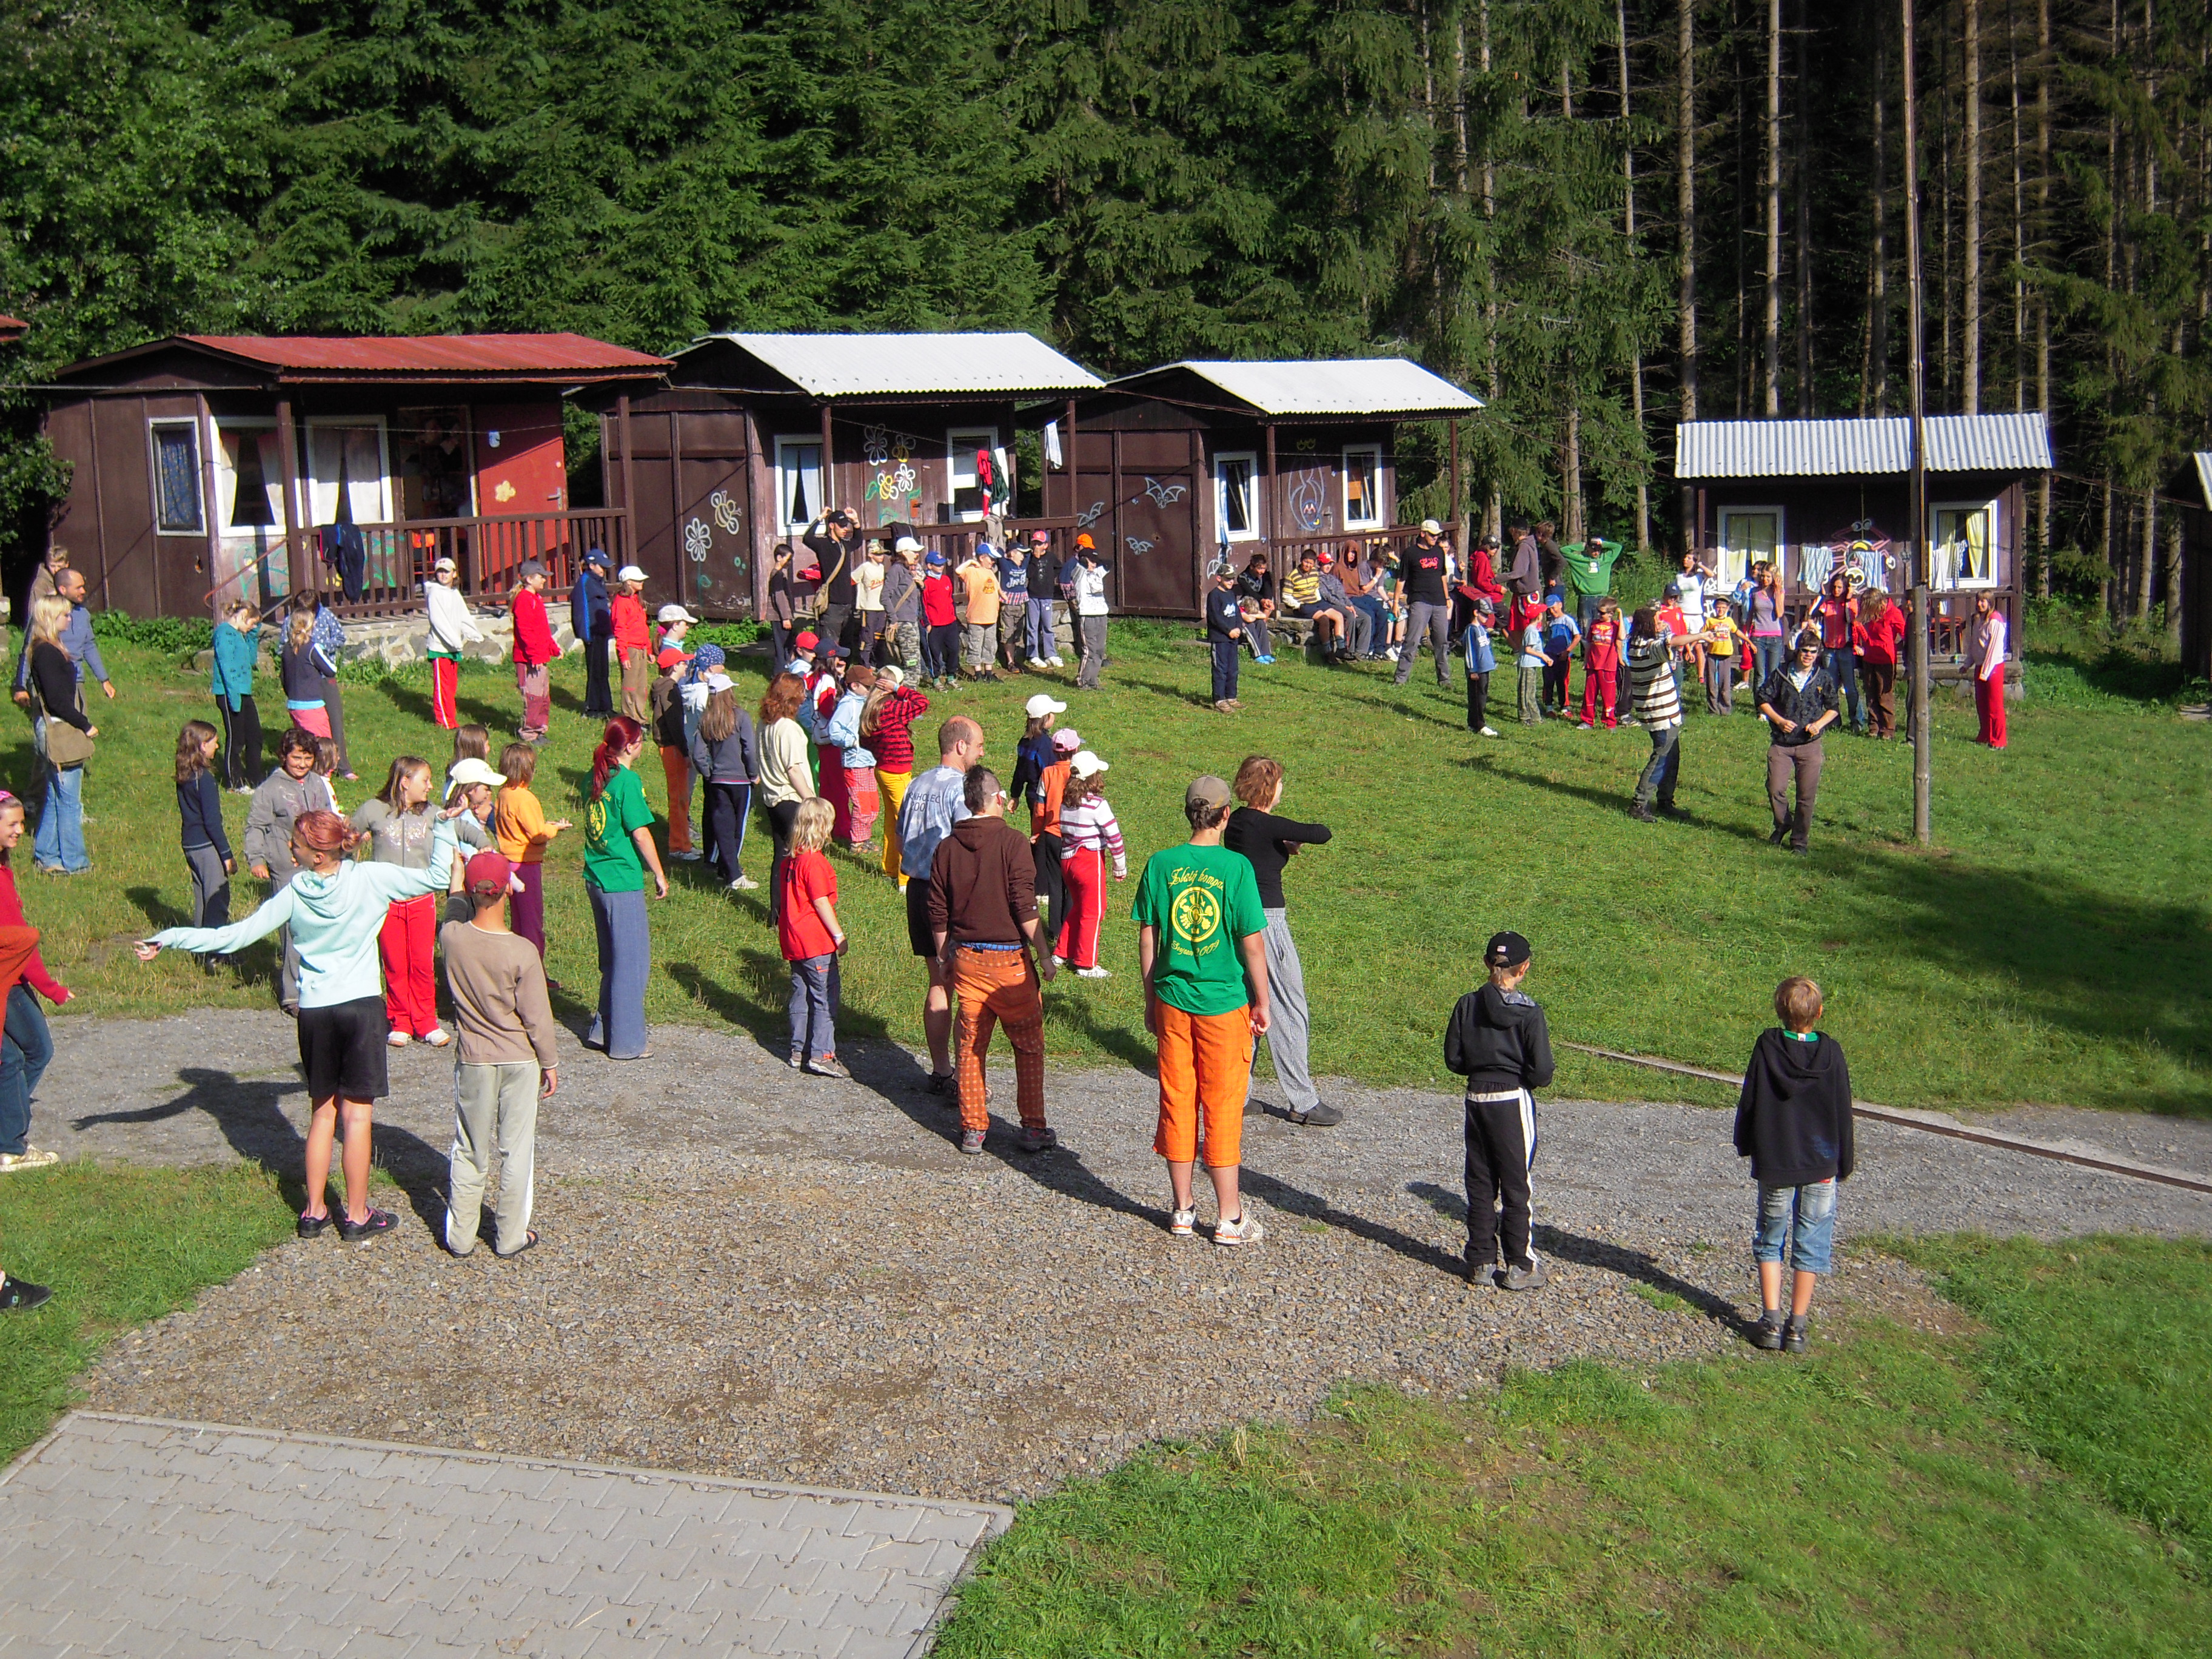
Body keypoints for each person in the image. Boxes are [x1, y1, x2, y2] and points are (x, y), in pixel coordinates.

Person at [139, 803, 466, 1241]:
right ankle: (357, 1216)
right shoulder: (371, 877)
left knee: (322, 1114)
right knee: (357, 1118)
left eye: (294, 843)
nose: (289, 848)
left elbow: (235, 936)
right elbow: (438, 877)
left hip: (315, 1013)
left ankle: (314, 1212)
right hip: (361, 1009)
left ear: (317, 855)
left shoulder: (295, 892)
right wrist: (443, 826)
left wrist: (173, 937)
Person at [1133, 774, 1273, 1247]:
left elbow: (1148, 937)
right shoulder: (1236, 868)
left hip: (1173, 1000)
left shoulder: (1161, 864)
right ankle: (1229, 1217)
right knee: (1223, 1102)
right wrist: (1263, 1000)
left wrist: (1151, 998)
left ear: (1189, 814)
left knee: (1177, 1098)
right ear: (1226, 815)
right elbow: (1252, 944)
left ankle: (1182, 1208)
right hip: (1223, 1003)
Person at [930, 765, 1060, 1155]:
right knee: (1029, 1045)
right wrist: (1045, 955)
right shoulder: (1013, 842)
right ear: (998, 800)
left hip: (967, 960)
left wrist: (944, 956)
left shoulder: (947, 848)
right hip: (1011, 965)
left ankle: (973, 1128)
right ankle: (1033, 1128)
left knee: (970, 1046)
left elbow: (938, 912)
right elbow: (1024, 906)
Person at [441, 850, 558, 1258]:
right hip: (519, 1059)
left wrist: (458, 876)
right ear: (508, 889)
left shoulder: (452, 938)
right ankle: (510, 1237)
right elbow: (537, 1017)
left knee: (470, 1147)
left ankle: (460, 1237)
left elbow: (454, 906)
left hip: (474, 1058)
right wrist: (550, 1061)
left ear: (471, 891)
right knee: (516, 1148)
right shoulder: (522, 951)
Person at [1734, 975, 1855, 1353]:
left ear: (1778, 1011)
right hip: (1821, 1163)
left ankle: (1770, 1321)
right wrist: (1844, 1161)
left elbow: (1751, 1098)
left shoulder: (1767, 1046)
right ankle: (1797, 1328)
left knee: (1770, 1238)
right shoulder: (1831, 1053)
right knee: (1812, 1242)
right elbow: (1843, 1109)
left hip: (1777, 1160)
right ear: (1819, 1013)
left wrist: (1745, 1142)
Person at [1224, 756, 1337, 1128]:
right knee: (1288, 1006)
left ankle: (1238, 1095)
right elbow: (1322, 832)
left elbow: (1257, 851)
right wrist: (1289, 840)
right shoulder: (1269, 824)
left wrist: (1282, 846)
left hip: (1237, 921)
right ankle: (1302, 1101)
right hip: (1268, 924)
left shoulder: (1236, 821)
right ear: (1270, 788)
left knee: (1247, 1006)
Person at [1443, 930, 1555, 1290]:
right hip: (1512, 1098)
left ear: (1486, 963)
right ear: (1524, 968)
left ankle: (1480, 1261)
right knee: (1516, 1183)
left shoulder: (1467, 1004)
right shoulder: (1529, 1012)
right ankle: (1521, 1263)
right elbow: (1543, 1071)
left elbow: (1453, 1058)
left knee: (1480, 1180)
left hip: (1477, 1097)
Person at [899, 717, 988, 1090]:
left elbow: (901, 835)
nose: (982, 752)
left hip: (917, 890)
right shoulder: (959, 789)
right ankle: (967, 1077)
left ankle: (942, 1071)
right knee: (967, 986)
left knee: (938, 982)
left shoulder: (916, 783)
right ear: (961, 746)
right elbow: (970, 844)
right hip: (949, 896)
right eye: (979, 745)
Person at [352, 757, 455, 1049]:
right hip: (387, 902)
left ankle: (426, 1022)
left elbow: (463, 831)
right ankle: (400, 1022)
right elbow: (347, 835)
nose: (431, 786)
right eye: (425, 780)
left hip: (421, 900)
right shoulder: (374, 809)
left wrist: (484, 845)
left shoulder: (433, 813)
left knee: (422, 964)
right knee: (395, 963)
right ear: (405, 782)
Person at [581, 717, 668, 1059]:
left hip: (596, 875)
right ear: (631, 746)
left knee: (612, 961)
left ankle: (603, 1030)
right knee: (632, 963)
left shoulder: (595, 775)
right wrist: (659, 873)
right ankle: (628, 1042)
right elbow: (641, 833)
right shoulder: (627, 782)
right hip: (621, 880)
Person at [0, 793, 69, 1175]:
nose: (20, 831)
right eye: (12, 824)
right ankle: (10, 1146)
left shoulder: (4, 870)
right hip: (6, 980)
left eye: (22, 823)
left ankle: (8, 1135)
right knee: (28, 1052)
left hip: (9, 977)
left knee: (19, 1055)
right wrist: (51, 989)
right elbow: (22, 943)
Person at [244, 728, 323, 1013]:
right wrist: (256, 859)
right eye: (296, 758)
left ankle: (318, 988)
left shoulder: (317, 783)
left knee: (318, 927)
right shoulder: (270, 789)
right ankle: (292, 995)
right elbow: (256, 826)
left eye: (308, 758)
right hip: (285, 867)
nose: (302, 764)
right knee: (293, 929)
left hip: (318, 865)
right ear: (283, 756)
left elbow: (326, 819)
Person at [24, 595, 97, 876]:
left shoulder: (47, 648)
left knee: (56, 796)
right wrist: (84, 724)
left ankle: (46, 854)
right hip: (60, 731)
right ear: (50, 618)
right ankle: (75, 862)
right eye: (65, 615)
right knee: (69, 801)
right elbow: (56, 701)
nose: (69, 619)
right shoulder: (47, 653)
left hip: (55, 728)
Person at [779, 797, 848, 1078]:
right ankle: (823, 1054)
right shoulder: (814, 863)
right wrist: (839, 935)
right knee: (825, 997)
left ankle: (800, 1049)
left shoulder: (790, 860)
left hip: (793, 939)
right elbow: (821, 902)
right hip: (815, 941)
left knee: (801, 993)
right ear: (822, 826)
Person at [1758, 631, 1840, 853]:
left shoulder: (1823, 678)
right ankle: (1783, 823)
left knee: (1806, 797)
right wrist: (1779, 720)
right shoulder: (1781, 674)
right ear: (1797, 651)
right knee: (1775, 789)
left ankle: (1799, 842)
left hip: (1809, 745)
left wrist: (1819, 725)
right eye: (1805, 651)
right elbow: (1762, 699)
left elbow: (1834, 708)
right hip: (1782, 744)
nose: (1809, 655)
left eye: (1813, 652)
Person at [493, 743, 567, 960]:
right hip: (526, 864)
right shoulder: (525, 798)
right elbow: (537, 834)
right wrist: (554, 829)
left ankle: (517, 965)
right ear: (527, 770)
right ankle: (534, 970)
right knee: (532, 923)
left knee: (518, 921)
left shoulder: (503, 794)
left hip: (509, 864)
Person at [1054, 750, 1125, 977]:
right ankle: (1086, 963)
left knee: (1079, 907)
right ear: (1093, 778)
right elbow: (1114, 837)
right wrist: (1120, 866)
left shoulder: (1066, 803)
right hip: (1089, 860)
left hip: (1068, 860)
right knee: (1094, 911)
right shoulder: (1098, 805)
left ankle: (1062, 952)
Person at [688, 674, 759, 892]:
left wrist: (709, 774)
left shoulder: (706, 720)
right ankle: (734, 873)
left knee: (723, 827)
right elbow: (749, 750)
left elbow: (698, 755)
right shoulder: (741, 717)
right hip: (741, 781)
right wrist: (754, 774)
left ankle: (724, 868)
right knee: (738, 828)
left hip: (718, 780)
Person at [757, 673, 816, 916]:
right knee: (803, 858)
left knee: (781, 856)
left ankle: (778, 913)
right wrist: (811, 800)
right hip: (791, 798)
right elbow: (794, 769)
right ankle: (799, 910)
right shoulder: (789, 728)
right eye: (801, 693)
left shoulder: (765, 724)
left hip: (772, 798)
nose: (804, 697)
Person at [865, 667, 930, 884]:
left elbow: (865, 741)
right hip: (897, 772)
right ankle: (905, 878)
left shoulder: (872, 708)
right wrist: (898, 689)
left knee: (891, 823)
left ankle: (890, 869)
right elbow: (922, 702)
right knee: (906, 824)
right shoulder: (892, 708)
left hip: (883, 769)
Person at [1626, 604, 1684, 821]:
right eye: (1657, 620)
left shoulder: (1637, 643)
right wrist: (1703, 635)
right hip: (1661, 715)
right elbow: (1672, 642)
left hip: (1664, 714)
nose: (1662, 623)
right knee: (1660, 758)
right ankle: (1639, 804)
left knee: (1671, 758)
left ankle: (1665, 801)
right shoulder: (1647, 648)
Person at [175, 720, 233, 931]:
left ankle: (199, 942)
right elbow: (212, 822)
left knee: (202, 897)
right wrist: (226, 854)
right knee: (217, 898)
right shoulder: (205, 779)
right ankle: (215, 944)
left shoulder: (185, 774)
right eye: (214, 742)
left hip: (190, 844)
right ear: (202, 745)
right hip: (206, 846)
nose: (217, 746)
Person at [295, 590, 354, 778]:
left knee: (335, 722)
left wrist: (321, 649)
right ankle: (313, 766)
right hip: (305, 682)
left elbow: (340, 639)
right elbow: (284, 646)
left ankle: (342, 766)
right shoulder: (292, 621)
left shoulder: (327, 616)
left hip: (325, 677)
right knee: (310, 729)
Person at [823, 662, 880, 851]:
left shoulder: (864, 702)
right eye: (867, 686)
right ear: (854, 686)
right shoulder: (848, 705)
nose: (870, 690)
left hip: (869, 760)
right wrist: (854, 741)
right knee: (862, 804)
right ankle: (857, 842)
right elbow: (834, 731)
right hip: (855, 762)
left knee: (873, 804)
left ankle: (866, 837)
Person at [423, 555, 484, 729]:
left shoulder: (454, 594)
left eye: (447, 572)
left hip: (453, 647)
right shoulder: (435, 593)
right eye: (440, 572)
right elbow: (438, 621)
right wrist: (455, 642)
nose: (443, 575)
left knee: (451, 686)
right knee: (443, 686)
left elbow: (463, 616)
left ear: (454, 574)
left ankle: (450, 717)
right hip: (441, 647)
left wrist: (473, 633)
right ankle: (444, 721)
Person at [649, 645, 697, 862]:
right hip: (673, 748)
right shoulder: (671, 690)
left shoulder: (662, 687)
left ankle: (683, 843)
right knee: (679, 799)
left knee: (679, 797)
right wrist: (685, 752)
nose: (686, 665)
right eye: (683, 662)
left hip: (668, 747)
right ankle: (678, 846)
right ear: (674, 667)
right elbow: (676, 725)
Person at [1393, 520, 1453, 687]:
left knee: (1441, 642)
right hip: (1420, 601)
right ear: (1423, 534)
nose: (1435, 537)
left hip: (1439, 602)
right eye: (1432, 535)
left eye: (1437, 535)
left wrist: (1447, 598)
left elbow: (1443, 576)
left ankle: (1444, 679)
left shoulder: (1439, 552)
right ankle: (1400, 678)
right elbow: (1401, 579)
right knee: (1412, 641)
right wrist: (1395, 602)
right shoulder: (1410, 553)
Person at [211, 601, 263, 792]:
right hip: (229, 693)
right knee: (236, 739)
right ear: (243, 616)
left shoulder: (241, 635)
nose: (252, 627)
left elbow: (251, 660)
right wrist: (234, 700)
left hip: (244, 692)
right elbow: (227, 668)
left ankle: (254, 778)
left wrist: (253, 636)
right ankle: (234, 783)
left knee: (255, 736)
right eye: (252, 623)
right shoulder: (224, 634)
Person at [511, 560, 558, 745]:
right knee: (533, 697)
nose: (544, 580)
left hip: (540, 657)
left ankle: (540, 729)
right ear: (529, 579)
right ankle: (529, 732)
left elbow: (542, 630)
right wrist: (534, 655)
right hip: (529, 659)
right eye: (541, 577)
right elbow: (525, 632)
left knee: (544, 697)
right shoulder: (523, 600)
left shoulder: (536, 599)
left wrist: (553, 648)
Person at [1853, 588, 1908, 740]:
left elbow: (1906, 634)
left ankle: (1888, 729)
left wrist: (1897, 648)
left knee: (1884, 696)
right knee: (1871, 694)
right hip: (1869, 658)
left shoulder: (1893, 613)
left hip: (1885, 660)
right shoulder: (1872, 615)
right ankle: (1874, 727)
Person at [803, 509, 860, 652]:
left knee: (847, 645)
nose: (845, 529)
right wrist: (820, 517)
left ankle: (844, 666)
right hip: (832, 605)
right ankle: (829, 666)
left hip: (847, 604)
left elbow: (858, 541)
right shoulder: (823, 544)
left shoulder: (845, 545)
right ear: (832, 526)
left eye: (846, 525)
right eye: (842, 526)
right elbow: (807, 538)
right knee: (830, 646)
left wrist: (856, 522)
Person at [1812, 573, 1862, 735]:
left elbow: (1850, 619)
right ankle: (1834, 720)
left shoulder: (1851, 603)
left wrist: (1847, 600)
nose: (1836, 590)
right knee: (1831, 687)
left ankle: (1856, 720)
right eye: (1834, 587)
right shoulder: (1828, 603)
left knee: (1850, 687)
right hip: (1829, 649)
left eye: (1840, 587)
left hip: (1845, 649)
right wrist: (1821, 596)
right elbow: (1813, 614)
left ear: (1846, 588)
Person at [571, 547, 615, 718]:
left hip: (602, 633)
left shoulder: (598, 581)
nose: (604, 570)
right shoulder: (585, 582)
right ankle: (592, 708)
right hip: (592, 634)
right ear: (591, 565)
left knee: (604, 671)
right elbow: (581, 610)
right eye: (601, 566)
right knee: (595, 671)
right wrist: (586, 635)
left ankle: (606, 706)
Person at [279, 608, 332, 740]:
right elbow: (331, 670)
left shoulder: (287, 648)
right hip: (311, 705)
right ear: (311, 625)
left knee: (304, 743)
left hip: (294, 704)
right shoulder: (313, 648)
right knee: (322, 745)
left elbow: (283, 677)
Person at [954, 543, 1002, 680]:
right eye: (991, 558)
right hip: (976, 617)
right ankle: (978, 673)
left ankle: (989, 673)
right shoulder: (971, 572)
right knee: (976, 645)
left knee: (990, 645)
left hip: (991, 617)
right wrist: (970, 561)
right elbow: (958, 571)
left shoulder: (991, 572)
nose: (993, 561)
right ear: (982, 558)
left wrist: (1003, 596)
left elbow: (997, 588)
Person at [611, 565, 652, 722]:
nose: (641, 582)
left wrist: (648, 649)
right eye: (638, 580)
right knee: (630, 686)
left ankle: (640, 718)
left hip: (641, 648)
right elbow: (620, 629)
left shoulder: (636, 600)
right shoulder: (621, 603)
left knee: (641, 687)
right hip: (630, 649)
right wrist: (624, 654)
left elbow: (642, 627)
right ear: (628, 582)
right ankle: (629, 719)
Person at [1559, 534, 1625, 629]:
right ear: (1588, 549)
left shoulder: (1606, 559)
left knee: (1601, 626)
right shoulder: (1579, 560)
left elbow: (1618, 548)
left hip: (1602, 598)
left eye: (1598, 550)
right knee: (1585, 627)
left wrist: (1603, 543)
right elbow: (1564, 550)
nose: (1596, 552)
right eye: (1593, 549)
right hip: (1585, 598)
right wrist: (1582, 546)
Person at [879, 538, 925, 677]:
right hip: (903, 623)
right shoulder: (896, 570)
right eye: (914, 552)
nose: (917, 554)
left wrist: (921, 586)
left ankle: (910, 688)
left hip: (912, 621)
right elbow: (885, 597)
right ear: (904, 552)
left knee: (914, 662)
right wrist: (893, 619)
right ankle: (908, 689)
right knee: (911, 664)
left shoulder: (908, 570)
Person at [1577, 597, 1623, 731]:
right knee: (1589, 695)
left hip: (1608, 666)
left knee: (1608, 696)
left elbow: (1622, 637)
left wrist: (1621, 618)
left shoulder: (1615, 626)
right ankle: (1587, 720)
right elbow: (1589, 644)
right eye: (1598, 612)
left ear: (1611, 613)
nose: (1599, 615)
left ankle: (1610, 722)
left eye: (1602, 613)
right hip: (1593, 664)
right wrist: (1586, 661)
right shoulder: (1594, 624)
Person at [1970, 594, 2008, 748]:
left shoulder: (1995, 621)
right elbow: (1974, 644)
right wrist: (1968, 663)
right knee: (1982, 704)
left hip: (1993, 668)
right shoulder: (1978, 620)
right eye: (1978, 601)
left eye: (1983, 601)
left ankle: (1999, 740)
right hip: (1981, 666)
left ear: (1990, 603)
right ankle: (1985, 735)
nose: (1980, 604)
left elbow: (1994, 650)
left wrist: (1985, 673)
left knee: (1994, 705)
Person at [1071, 539, 1111, 690]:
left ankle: (1093, 681)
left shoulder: (1097, 573)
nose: (1094, 564)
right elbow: (1081, 565)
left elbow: (1109, 564)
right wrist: (1085, 561)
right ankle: (1082, 680)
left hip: (1101, 614)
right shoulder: (1079, 573)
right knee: (1090, 650)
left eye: (1096, 562)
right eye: (1091, 561)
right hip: (1088, 616)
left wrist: (1095, 561)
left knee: (1100, 650)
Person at [1205, 563, 1244, 711]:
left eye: (1232, 579)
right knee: (1220, 669)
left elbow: (1237, 613)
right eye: (1227, 579)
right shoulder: (1214, 595)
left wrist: (1239, 628)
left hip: (1233, 638)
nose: (1231, 582)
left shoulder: (1231, 594)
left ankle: (1231, 697)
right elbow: (1215, 618)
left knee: (1233, 669)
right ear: (1219, 578)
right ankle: (1219, 700)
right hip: (1220, 638)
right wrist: (1229, 631)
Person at [1747, 561, 1788, 690]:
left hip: (1775, 637)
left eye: (1768, 577)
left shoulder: (1779, 592)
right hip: (1758, 637)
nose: (1765, 579)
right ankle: (1759, 700)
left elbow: (1780, 613)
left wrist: (1777, 592)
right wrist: (1747, 635)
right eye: (1763, 576)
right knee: (1760, 674)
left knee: (1773, 674)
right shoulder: (1754, 592)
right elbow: (1750, 613)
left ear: (1774, 577)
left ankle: (1771, 700)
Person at [921, 551, 960, 688]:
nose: (941, 567)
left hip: (950, 622)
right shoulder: (926, 583)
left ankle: (951, 677)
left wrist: (953, 616)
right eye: (938, 565)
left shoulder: (946, 580)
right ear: (929, 566)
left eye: (942, 564)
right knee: (935, 653)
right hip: (934, 625)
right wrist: (926, 623)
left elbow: (950, 600)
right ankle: (936, 679)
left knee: (954, 650)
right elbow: (923, 605)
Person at [1022, 530, 1061, 666]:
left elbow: (1059, 568)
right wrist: (1035, 559)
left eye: (1039, 544)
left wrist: (1051, 577)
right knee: (1032, 626)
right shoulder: (1030, 558)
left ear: (1046, 545)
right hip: (1033, 595)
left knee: (1047, 626)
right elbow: (1028, 574)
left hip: (1046, 596)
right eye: (1035, 544)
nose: (1036, 546)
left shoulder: (1051, 557)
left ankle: (1050, 654)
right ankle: (1033, 654)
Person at [1701, 597, 1744, 716]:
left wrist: (1749, 642)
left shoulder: (1729, 621)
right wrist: (1691, 647)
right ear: (1715, 608)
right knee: (1712, 683)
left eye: (1723, 608)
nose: (1721, 610)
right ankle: (1713, 710)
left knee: (1725, 684)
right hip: (1712, 654)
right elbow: (1701, 634)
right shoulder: (1710, 621)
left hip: (1726, 655)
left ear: (1727, 608)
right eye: (1718, 607)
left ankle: (1725, 709)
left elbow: (1737, 632)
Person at [1233, 554, 1278, 664]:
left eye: (1264, 568)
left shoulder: (1266, 575)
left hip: (1262, 602)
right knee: (1252, 618)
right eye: (1259, 568)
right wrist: (1262, 600)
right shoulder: (1242, 577)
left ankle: (1266, 651)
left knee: (1265, 614)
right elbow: (1250, 592)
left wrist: (1267, 601)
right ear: (1252, 567)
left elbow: (1268, 590)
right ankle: (1258, 652)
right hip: (1249, 602)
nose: (1262, 571)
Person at [1464, 596, 1498, 737]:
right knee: (1477, 698)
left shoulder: (1482, 629)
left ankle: (1473, 723)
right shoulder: (1471, 630)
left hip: (1485, 668)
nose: (1487, 617)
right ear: (1476, 613)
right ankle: (1480, 724)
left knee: (1482, 696)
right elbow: (1470, 651)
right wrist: (1472, 670)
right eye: (1484, 614)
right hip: (1477, 671)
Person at [1540, 594, 1580, 714]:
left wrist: (1568, 651)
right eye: (1549, 609)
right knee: (1549, 681)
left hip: (1562, 656)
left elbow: (1577, 636)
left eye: (1554, 608)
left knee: (1562, 681)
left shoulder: (1567, 620)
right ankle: (1549, 706)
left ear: (1560, 605)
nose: (1552, 611)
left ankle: (1564, 706)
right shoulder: (1551, 623)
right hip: (1549, 656)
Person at [994, 538, 1031, 671]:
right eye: (1020, 553)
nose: (1023, 556)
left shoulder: (1023, 565)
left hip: (1021, 605)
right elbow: (999, 552)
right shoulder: (1006, 564)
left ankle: (1016, 659)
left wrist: (1025, 551)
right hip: (1008, 605)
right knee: (1008, 632)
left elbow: (1030, 553)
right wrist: (1005, 551)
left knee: (1017, 633)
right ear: (1013, 553)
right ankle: (1010, 662)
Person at [765, 543, 801, 672]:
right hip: (779, 617)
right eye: (788, 559)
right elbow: (779, 598)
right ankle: (780, 672)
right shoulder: (778, 576)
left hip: (779, 616)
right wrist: (785, 618)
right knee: (783, 646)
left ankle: (785, 670)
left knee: (786, 645)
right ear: (779, 558)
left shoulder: (779, 574)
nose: (790, 563)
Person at [853, 543, 889, 664]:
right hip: (868, 607)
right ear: (870, 554)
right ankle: (864, 663)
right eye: (878, 554)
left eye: (882, 554)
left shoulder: (883, 567)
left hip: (881, 607)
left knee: (879, 637)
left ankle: (876, 662)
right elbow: (852, 580)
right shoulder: (865, 567)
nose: (881, 556)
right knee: (867, 636)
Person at [1515, 603, 1547, 726]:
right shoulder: (1530, 631)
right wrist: (1543, 656)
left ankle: (1535, 717)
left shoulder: (1534, 630)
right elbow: (1528, 649)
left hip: (1532, 665)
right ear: (1539, 616)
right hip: (1526, 665)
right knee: (1526, 692)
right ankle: (1525, 717)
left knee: (1531, 691)